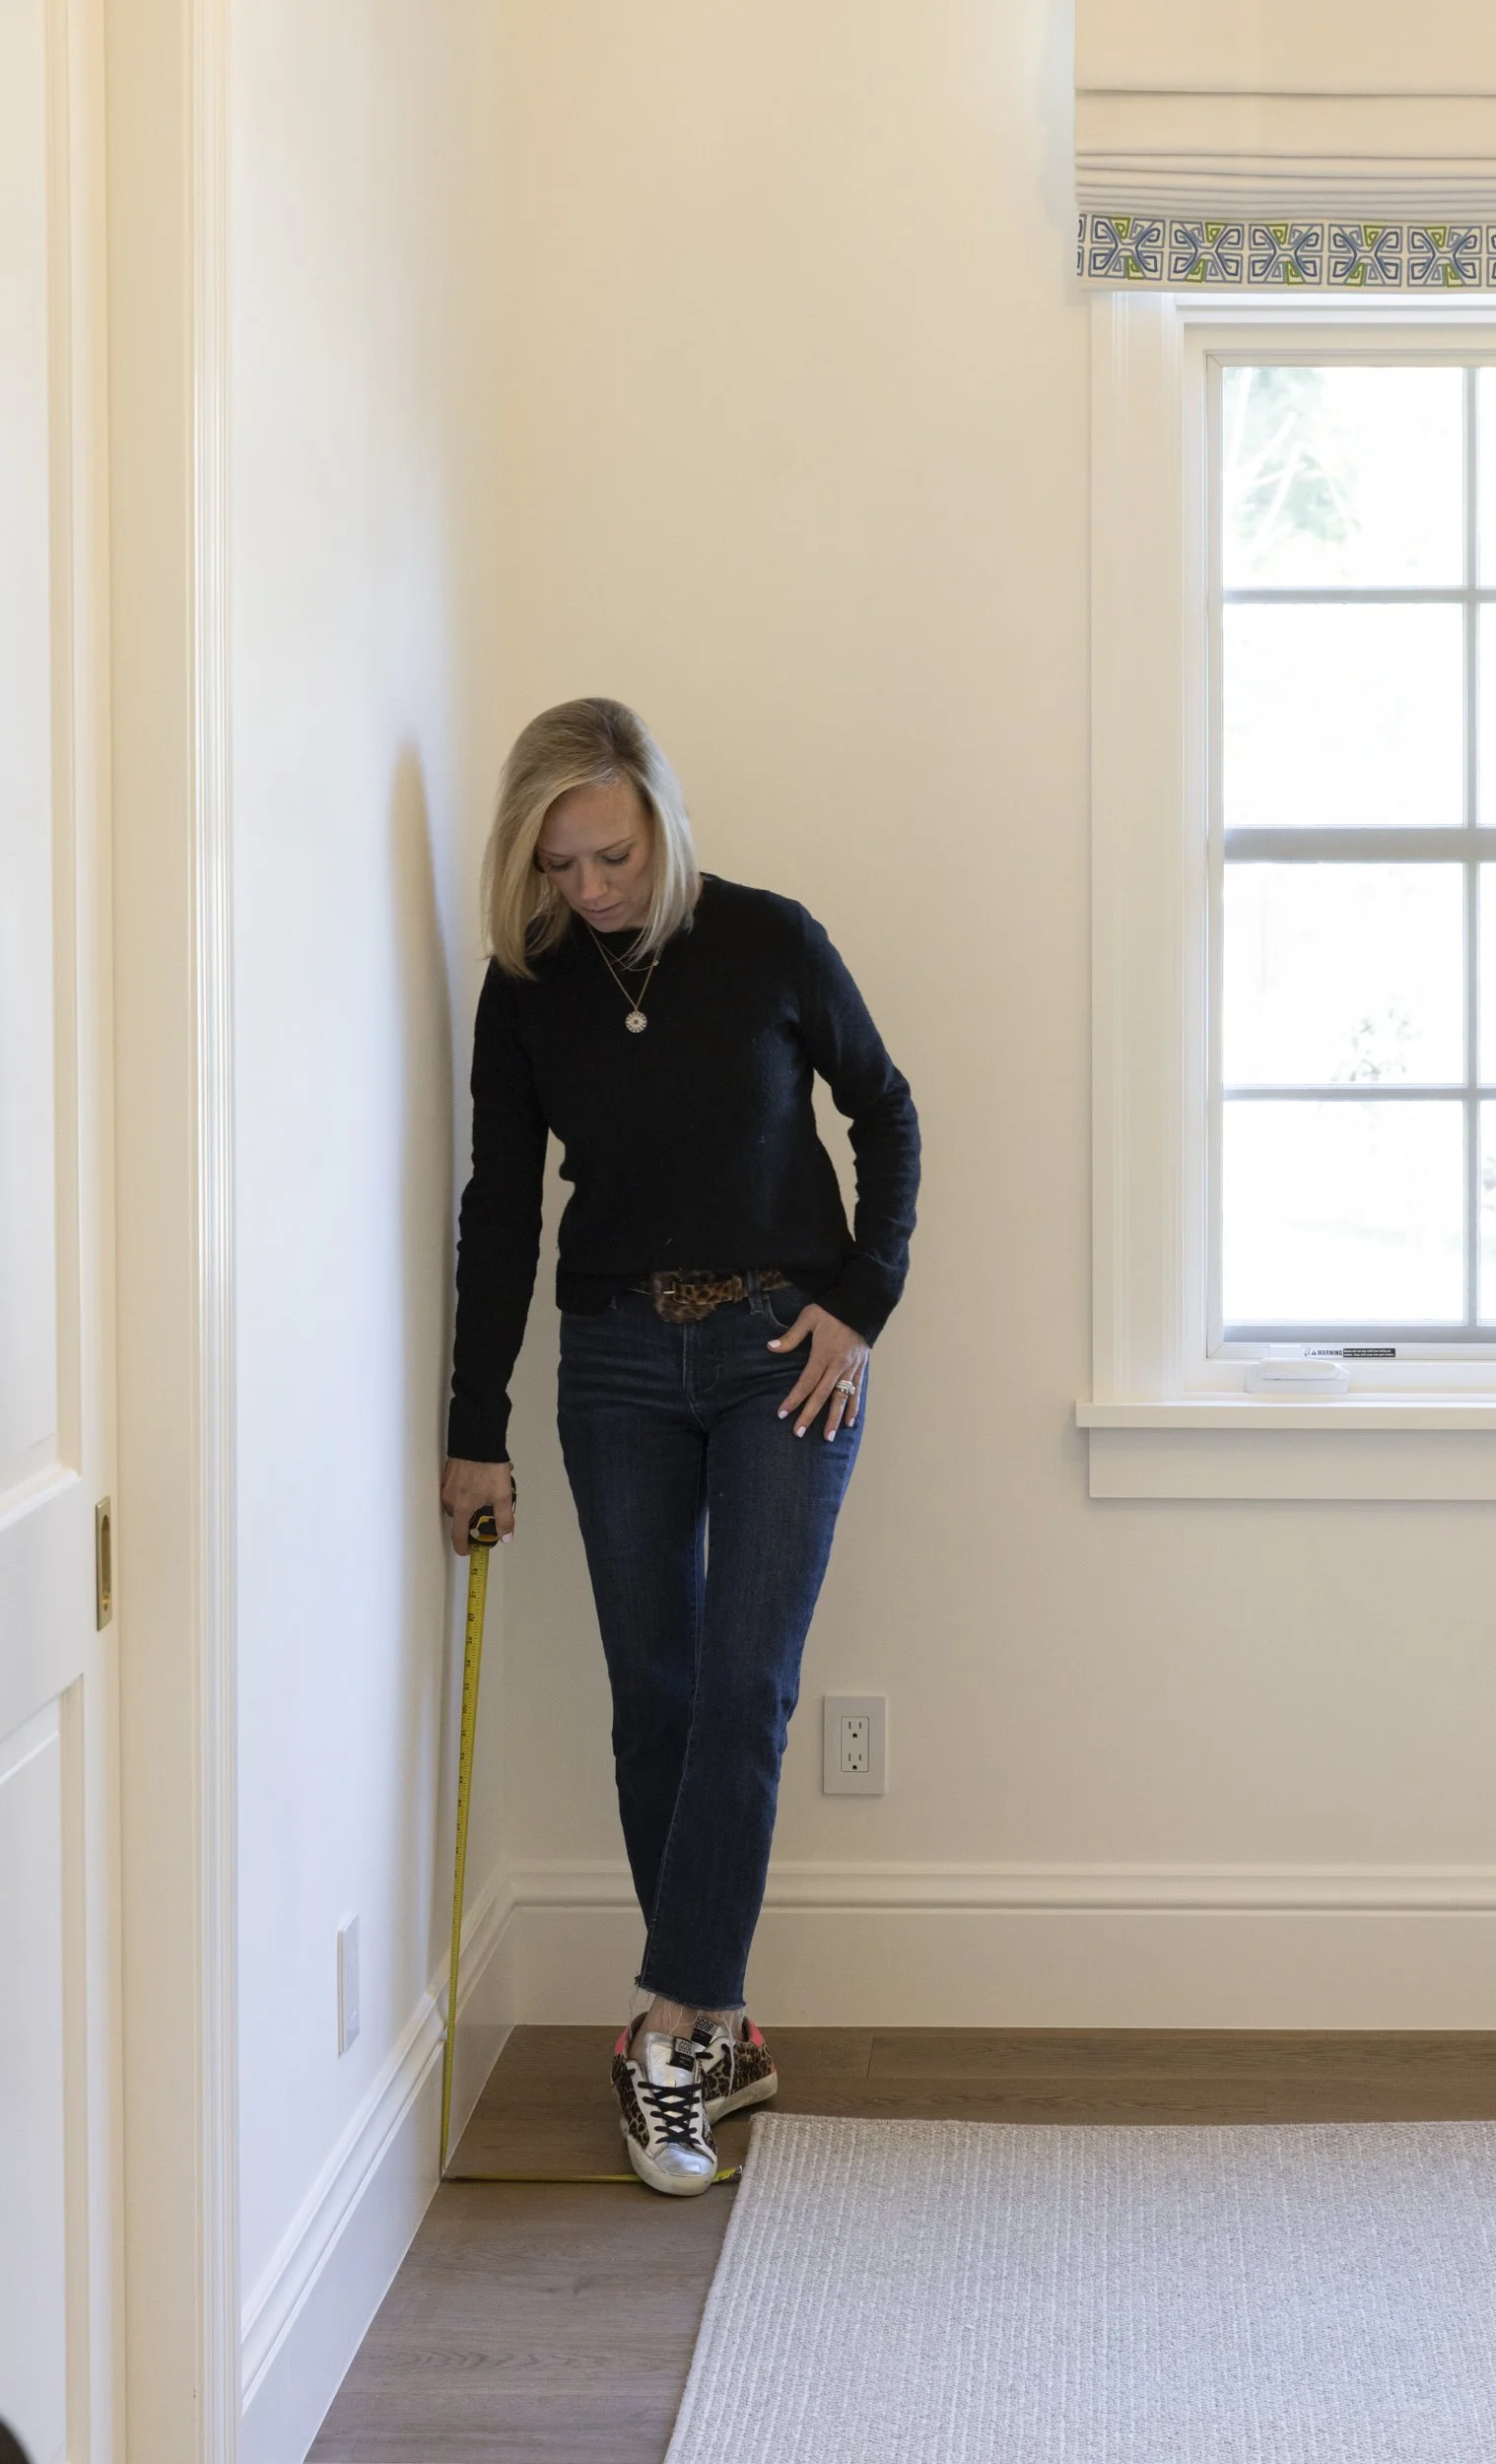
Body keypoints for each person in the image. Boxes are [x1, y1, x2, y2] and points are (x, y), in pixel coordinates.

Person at [441, 697, 919, 2194]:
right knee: (652, 1696)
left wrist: (861, 1303)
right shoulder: (525, 993)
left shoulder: (771, 939)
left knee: (744, 1684)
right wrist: (474, 1428)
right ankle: (718, 2027)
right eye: (560, 865)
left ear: (661, 815)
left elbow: (886, 1113)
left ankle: (662, 2031)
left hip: (788, 1347)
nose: (591, 889)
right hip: (620, 1360)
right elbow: (501, 1215)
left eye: (613, 853)